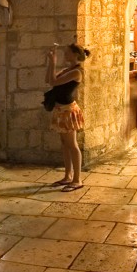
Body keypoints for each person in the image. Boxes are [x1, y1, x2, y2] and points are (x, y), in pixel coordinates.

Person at [44, 44, 89, 191]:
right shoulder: (69, 70)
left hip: (68, 111)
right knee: (64, 144)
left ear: (75, 54)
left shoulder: (77, 72)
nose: (65, 54)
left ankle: (77, 179)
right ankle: (67, 176)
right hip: (60, 110)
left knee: (72, 145)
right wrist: (51, 63)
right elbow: (48, 79)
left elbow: (53, 82)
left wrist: (53, 61)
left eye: (67, 52)